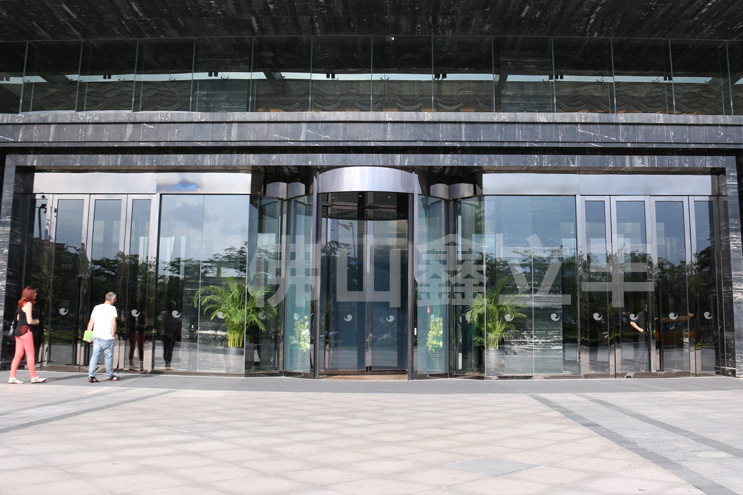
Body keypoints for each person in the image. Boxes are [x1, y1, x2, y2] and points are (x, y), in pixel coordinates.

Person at [8, 286, 46, 384]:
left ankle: (12, 377)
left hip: (18, 332)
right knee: (30, 354)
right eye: (34, 292)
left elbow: (18, 318)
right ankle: (34, 377)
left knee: (18, 355)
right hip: (26, 331)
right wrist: (36, 321)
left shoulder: (21, 303)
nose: (36, 294)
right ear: (30, 294)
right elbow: (29, 320)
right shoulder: (28, 304)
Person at [86, 292, 120, 383]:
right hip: (107, 337)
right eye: (115, 300)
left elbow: (91, 322)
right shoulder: (112, 308)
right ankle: (109, 375)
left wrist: (88, 336)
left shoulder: (96, 307)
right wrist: (113, 335)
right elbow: (113, 323)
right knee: (108, 357)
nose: (115, 301)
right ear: (112, 299)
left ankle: (91, 376)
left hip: (96, 336)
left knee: (94, 356)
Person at [159, 301, 181, 370]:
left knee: (170, 349)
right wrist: (159, 331)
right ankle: (166, 360)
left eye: (172, 306)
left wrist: (176, 333)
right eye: (170, 305)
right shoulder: (163, 314)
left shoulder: (176, 315)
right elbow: (160, 323)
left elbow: (179, 324)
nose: (171, 307)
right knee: (165, 348)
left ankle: (168, 362)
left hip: (172, 335)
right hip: (165, 334)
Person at [127, 301, 147, 371]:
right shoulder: (132, 313)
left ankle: (140, 364)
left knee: (139, 347)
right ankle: (131, 363)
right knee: (133, 347)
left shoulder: (143, 314)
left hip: (139, 331)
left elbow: (145, 324)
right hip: (134, 331)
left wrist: (139, 326)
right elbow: (128, 322)